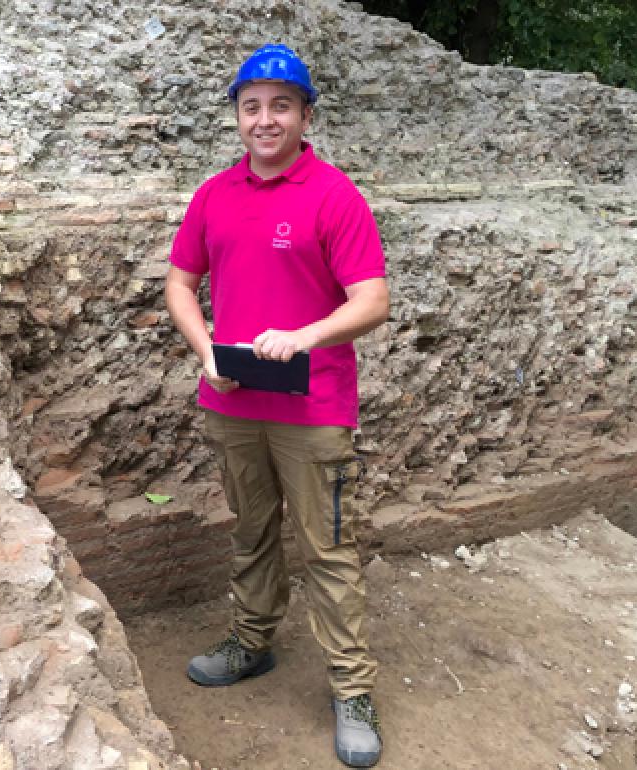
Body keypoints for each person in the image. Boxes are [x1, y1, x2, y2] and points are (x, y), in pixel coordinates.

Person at [164, 44, 391, 768]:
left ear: (304, 115)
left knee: (327, 550)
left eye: (280, 106)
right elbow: (179, 282)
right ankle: (252, 642)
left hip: (315, 408)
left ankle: (352, 690)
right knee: (251, 531)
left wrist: (304, 337)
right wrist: (205, 352)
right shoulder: (213, 195)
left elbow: (373, 301)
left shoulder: (334, 195)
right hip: (230, 401)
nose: (265, 120)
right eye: (251, 106)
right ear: (237, 115)